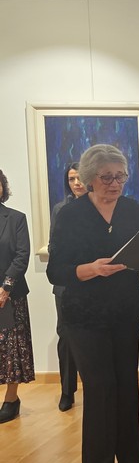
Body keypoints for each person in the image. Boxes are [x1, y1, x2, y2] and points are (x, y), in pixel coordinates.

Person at [47, 144, 139, 463]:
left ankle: (130, 461)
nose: (115, 184)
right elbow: (56, 270)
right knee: (100, 387)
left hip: (126, 310)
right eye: (107, 177)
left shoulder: (134, 211)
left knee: (127, 385)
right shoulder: (70, 215)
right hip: (84, 314)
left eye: (120, 176)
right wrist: (91, 269)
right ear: (90, 179)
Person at [49, 162, 87, 412]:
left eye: (79, 178)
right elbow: (54, 246)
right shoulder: (60, 209)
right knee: (65, 336)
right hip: (65, 284)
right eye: (71, 179)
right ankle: (67, 390)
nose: (76, 183)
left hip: (91, 280)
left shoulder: (97, 207)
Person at [0, 170, 35, 424]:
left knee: (12, 349)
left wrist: (5, 288)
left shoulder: (16, 218)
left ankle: (11, 399)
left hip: (11, 295)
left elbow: (22, 256)